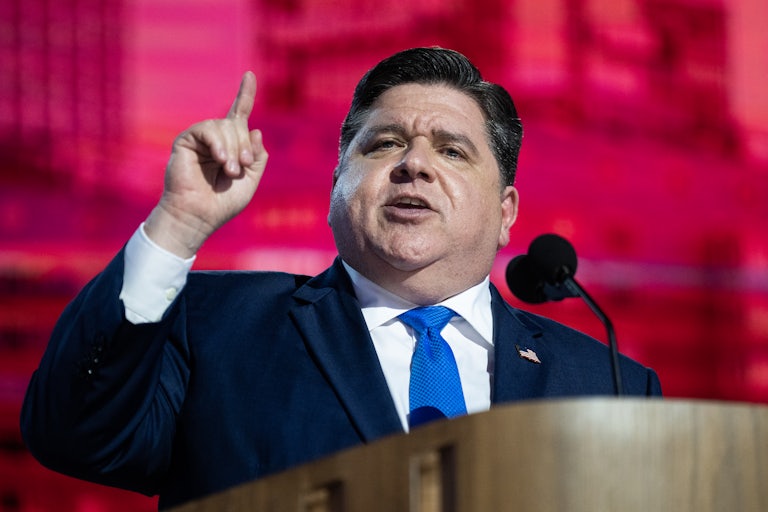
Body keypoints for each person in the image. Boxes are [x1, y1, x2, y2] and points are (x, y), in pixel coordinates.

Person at [20, 47, 662, 509]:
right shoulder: (217, 326)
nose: (414, 164)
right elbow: (76, 436)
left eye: (453, 150)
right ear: (336, 187)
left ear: (505, 213)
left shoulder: (611, 386)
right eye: (383, 144)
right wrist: (178, 222)